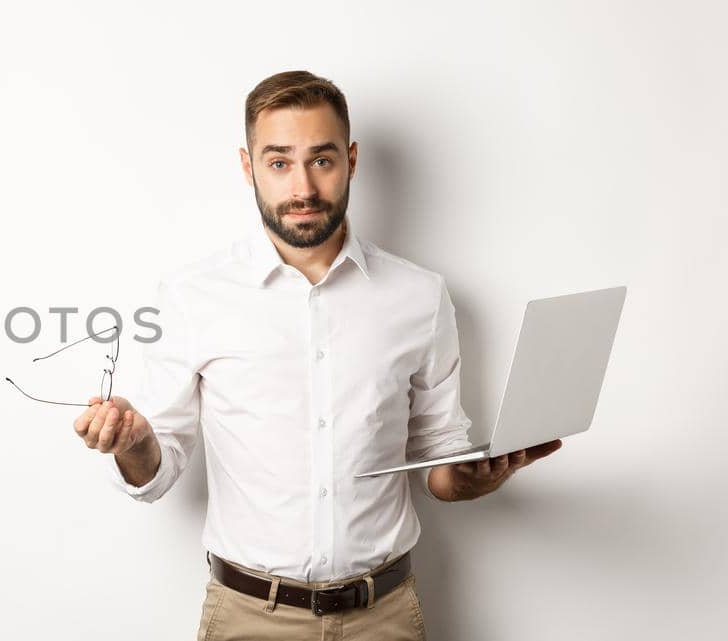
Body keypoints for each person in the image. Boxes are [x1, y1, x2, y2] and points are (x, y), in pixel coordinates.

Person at [73, 70, 563, 640]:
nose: (302, 187)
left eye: (322, 160)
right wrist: (135, 443)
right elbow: (156, 473)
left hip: (384, 616)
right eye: (279, 161)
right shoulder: (193, 295)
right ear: (247, 166)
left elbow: (439, 459)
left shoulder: (420, 296)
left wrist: (472, 478)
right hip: (248, 618)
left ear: (351, 160)